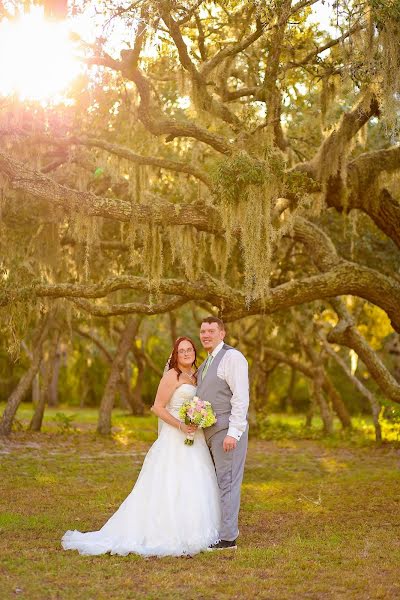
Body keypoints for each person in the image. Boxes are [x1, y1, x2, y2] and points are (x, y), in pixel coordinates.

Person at [61, 337, 221, 557]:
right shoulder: (172, 375)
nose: (186, 353)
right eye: (181, 350)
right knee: (171, 483)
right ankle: (166, 531)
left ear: (194, 352)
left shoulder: (195, 377)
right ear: (175, 354)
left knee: (196, 480)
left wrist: (198, 418)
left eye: (189, 349)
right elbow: (157, 407)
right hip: (175, 437)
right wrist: (181, 425)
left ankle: (198, 530)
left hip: (196, 437)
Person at [197, 316, 249, 551]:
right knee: (216, 482)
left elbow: (240, 397)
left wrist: (234, 432)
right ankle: (220, 529)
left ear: (222, 333)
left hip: (226, 430)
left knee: (227, 482)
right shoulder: (207, 361)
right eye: (202, 331)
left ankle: (228, 538)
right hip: (209, 432)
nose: (205, 335)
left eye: (210, 330)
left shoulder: (232, 357)